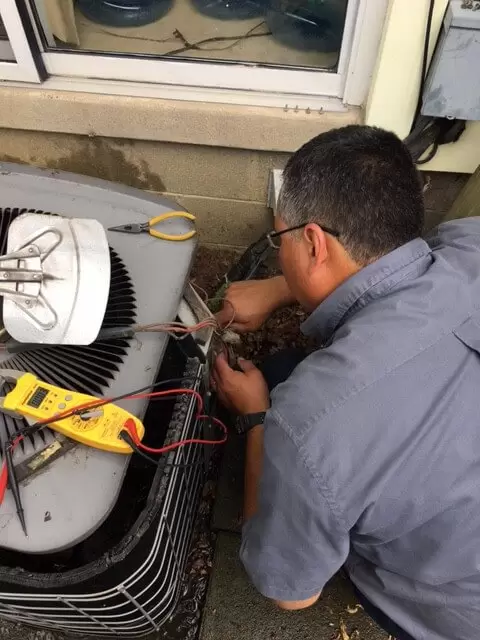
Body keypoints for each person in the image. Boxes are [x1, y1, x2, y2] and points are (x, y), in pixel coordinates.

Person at [212, 125, 480, 640]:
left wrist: (255, 419)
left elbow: (289, 594)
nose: (279, 249)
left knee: (280, 377)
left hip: (454, 606)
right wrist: (280, 287)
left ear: (312, 242)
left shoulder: (314, 420)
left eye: (279, 239)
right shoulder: (469, 241)